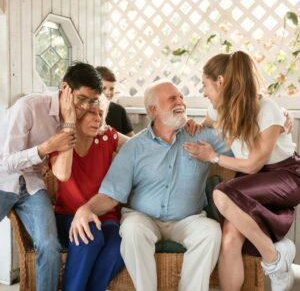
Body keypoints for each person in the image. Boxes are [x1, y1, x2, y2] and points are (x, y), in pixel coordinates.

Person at [68, 79, 233, 291]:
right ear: (154, 110)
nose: (181, 102)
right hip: (144, 218)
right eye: (172, 98)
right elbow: (111, 194)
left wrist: (275, 121)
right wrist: (86, 209)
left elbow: (244, 141)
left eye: (181, 97)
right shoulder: (135, 147)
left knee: (210, 231)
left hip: (188, 220)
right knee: (132, 228)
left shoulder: (201, 136)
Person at [183, 51, 300, 291]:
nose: (203, 92)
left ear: (221, 82)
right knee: (229, 239)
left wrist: (214, 157)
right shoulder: (217, 110)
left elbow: (253, 165)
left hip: (284, 176)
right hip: (249, 182)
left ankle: (274, 260)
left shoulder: (267, 109)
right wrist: (194, 125)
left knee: (221, 194)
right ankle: (278, 248)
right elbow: (207, 121)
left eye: (205, 85)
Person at [0, 62, 102, 291]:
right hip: (4, 179)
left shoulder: (74, 119)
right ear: (65, 88)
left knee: (49, 245)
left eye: (92, 101)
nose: (86, 107)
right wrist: (44, 148)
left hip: (33, 186)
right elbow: (7, 161)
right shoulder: (30, 106)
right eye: (82, 98)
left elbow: (64, 173)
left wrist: (69, 122)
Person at [50, 94, 128, 291]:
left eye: (101, 113)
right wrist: (69, 132)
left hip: (106, 216)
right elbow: (62, 174)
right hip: (68, 215)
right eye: (91, 113)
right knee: (89, 234)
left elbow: (139, 145)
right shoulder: (60, 140)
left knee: (119, 246)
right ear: (77, 115)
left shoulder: (107, 136)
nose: (98, 118)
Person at [95, 66, 135, 136]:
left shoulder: (119, 110)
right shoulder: (90, 111)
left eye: (111, 89)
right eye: (104, 88)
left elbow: (131, 138)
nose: (108, 93)